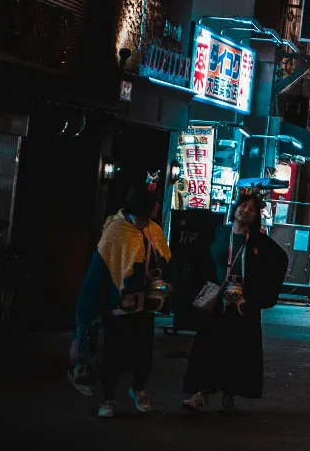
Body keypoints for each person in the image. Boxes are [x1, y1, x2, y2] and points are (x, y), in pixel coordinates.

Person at [72, 175, 172, 418]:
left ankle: (139, 389)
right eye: (154, 202)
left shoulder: (153, 230)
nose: (158, 206)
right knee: (113, 354)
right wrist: (90, 307)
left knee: (143, 352)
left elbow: (165, 261)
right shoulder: (116, 230)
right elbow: (100, 270)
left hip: (145, 305)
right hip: (117, 305)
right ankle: (109, 399)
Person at [182, 190, 288, 413]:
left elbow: (280, 260)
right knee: (208, 346)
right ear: (235, 208)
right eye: (243, 206)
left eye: (252, 209)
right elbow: (200, 260)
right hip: (217, 302)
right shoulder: (219, 233)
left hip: (242, 304)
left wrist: (256, 295)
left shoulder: (259, 241)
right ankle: (201, 393)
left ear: (256, 216)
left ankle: (229, 394)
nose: (246, 211)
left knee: (238, 350)